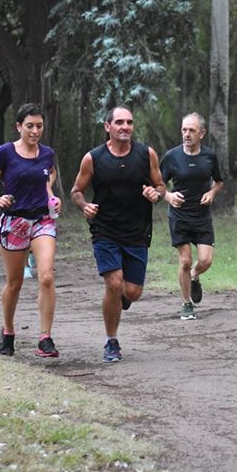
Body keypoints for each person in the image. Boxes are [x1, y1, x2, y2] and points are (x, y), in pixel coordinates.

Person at [71, 106, 166, 363]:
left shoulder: (146, 154)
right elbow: (77, 190)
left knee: (132, 292)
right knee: (113, 283)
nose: (126, 127)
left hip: (136, 230)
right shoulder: (93, 158)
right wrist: (84, 205)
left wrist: (155, 194)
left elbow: (160, 185)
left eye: (130, 122)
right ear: (107, 127)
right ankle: (111, 341)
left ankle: (120, 298)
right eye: (120, 122)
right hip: (105, 230)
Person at [0, 104, 61, 358]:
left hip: (41, 220)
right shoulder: (5, 153)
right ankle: (8, 331)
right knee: (14, 283)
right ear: (18, 127)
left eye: (39, 126)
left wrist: (52, 197)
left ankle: (45, 338)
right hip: (14, 222)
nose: (35, 131)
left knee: (46, 276)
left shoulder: (47, 154)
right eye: (30, 126)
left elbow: (45, 182)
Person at [159, 112, 225, 320]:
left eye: (191, 130)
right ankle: (187, 304)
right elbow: (157, 185)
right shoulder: (171, 156)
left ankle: (195, 276)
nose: (187, 134)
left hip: (202, 216)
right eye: (184, 130)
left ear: (202, 133)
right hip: (179, 216)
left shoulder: (209, 156)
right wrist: (169, 196)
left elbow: (219, 181)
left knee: (205, 261)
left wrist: (211, 193)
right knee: (185, 261)